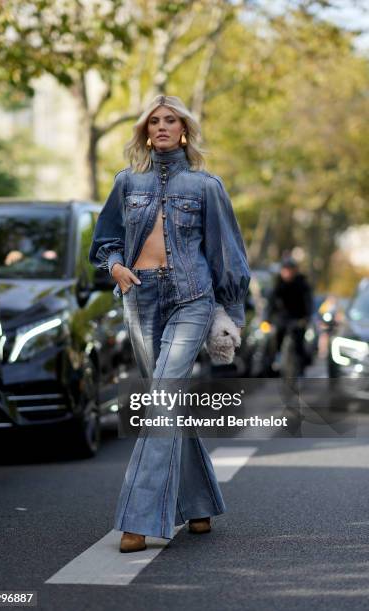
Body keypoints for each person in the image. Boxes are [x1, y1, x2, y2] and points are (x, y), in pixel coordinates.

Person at [89, 94, 251, 553]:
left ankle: (137, 520)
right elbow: (105, 241)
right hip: (139, 297)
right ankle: (198, 506)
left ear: (184, 130)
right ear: (145, 130)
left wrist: (230, 318)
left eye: (170, 120)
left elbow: (229, 258)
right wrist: (115, 266)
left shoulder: (206, 186)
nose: (161, 127)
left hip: (192, 299)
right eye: (154, 121)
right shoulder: (126, 182)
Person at [266, 257, 313, 374]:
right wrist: (267, 319)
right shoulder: (277, 284)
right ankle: (274, 360)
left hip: (298, 319)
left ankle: (301, 365)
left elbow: (308, 303)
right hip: (281, 319)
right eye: (285, 270)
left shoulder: (302, 284)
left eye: (290, 270)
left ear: (295, 271)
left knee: (300, 342)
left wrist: (306, 318)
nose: (287, 273)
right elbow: (270, 304)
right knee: (274, 337)